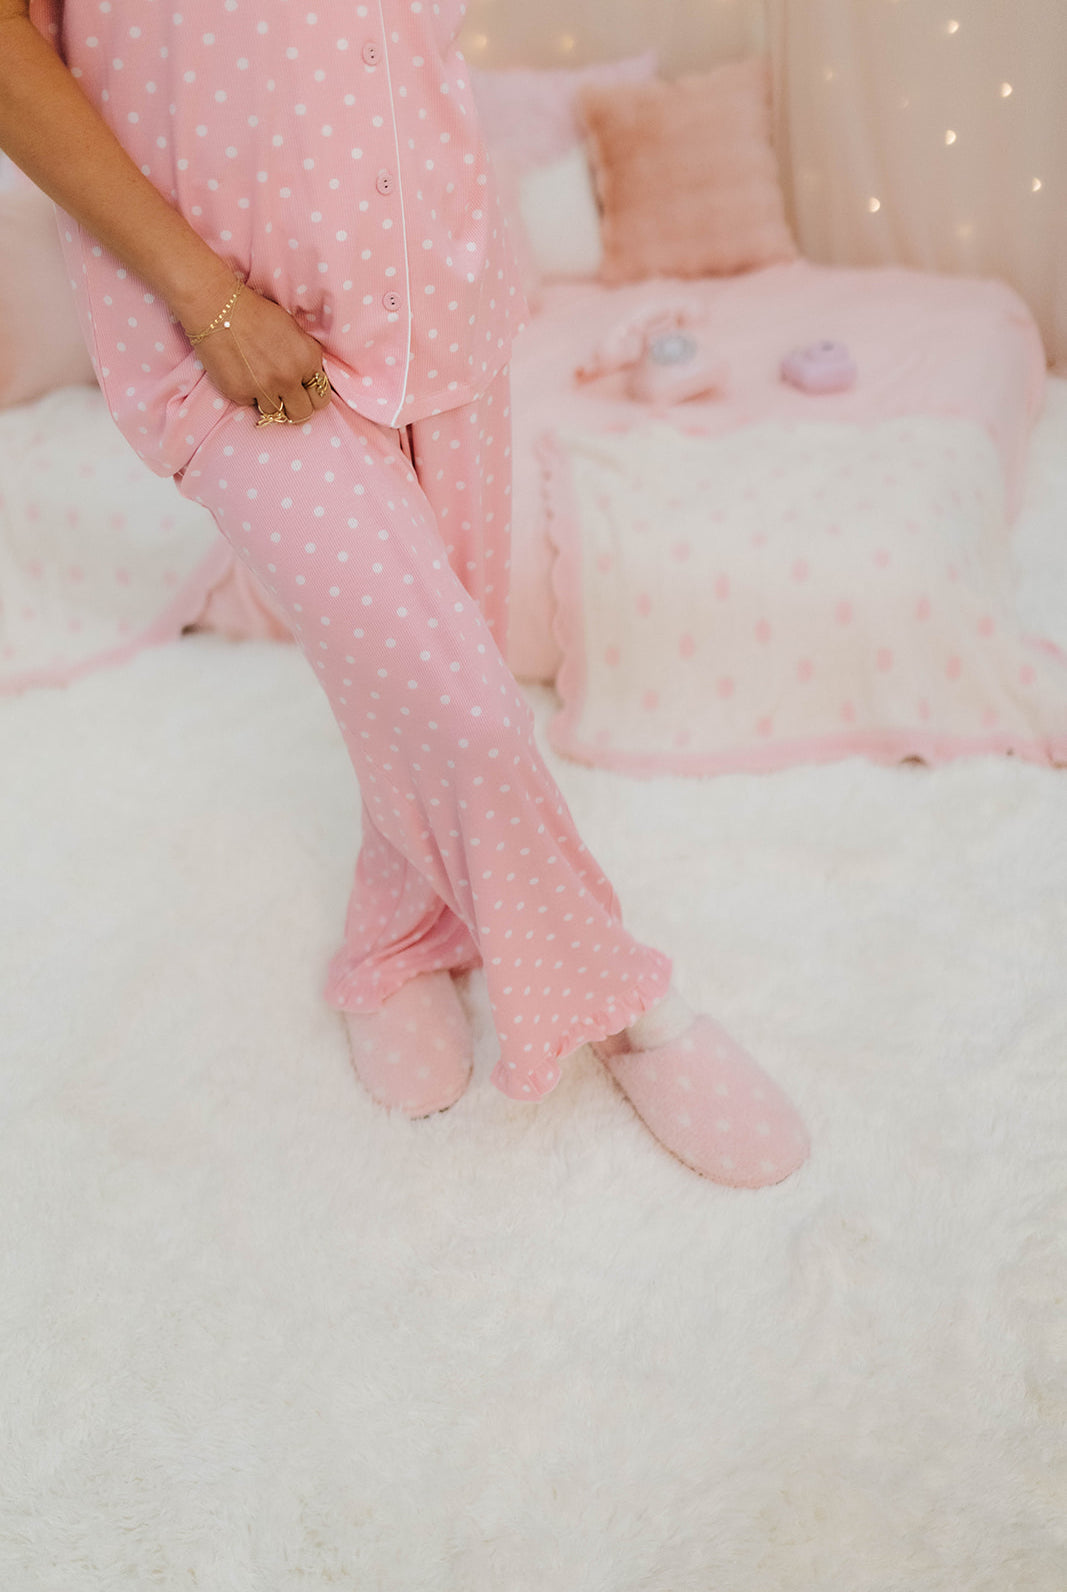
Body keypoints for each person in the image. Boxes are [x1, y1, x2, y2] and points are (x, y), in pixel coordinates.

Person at [0, 0, 810, 1187]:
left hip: (437, 284)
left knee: (441, 669)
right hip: (224, 332)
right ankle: (631, 1003)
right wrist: (207, 301)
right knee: (468, 710)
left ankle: (392, 936)